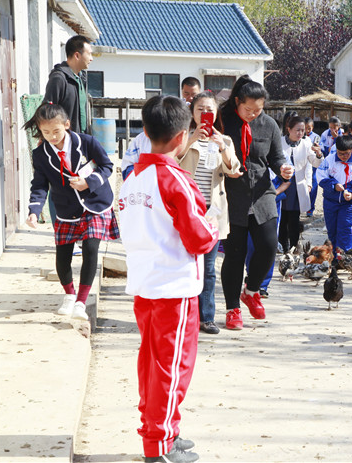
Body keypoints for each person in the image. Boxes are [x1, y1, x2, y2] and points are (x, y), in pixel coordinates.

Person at [118, 95, 218, 462]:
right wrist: (213, 229)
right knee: (172, 367)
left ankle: (162, 431)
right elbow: (199, 238)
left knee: (152, 364)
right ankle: (159, 445)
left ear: (146, 131)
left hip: (146, 284)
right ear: (182, 136)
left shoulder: (133, 179)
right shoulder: (176, 180)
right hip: (175, 287)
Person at [24, 101, 118, 320]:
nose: (52, 136)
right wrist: (34, 210)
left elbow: (106, 166)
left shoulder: (86, 142)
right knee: (62, 257)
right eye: (46, 132)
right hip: (66, 209)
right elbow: (39, 185)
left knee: (91, 248)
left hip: (95, 203)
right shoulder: (40, 155)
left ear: (66, 124)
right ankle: (69, 295)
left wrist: (89, 182)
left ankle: (81, 302)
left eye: (56, 131)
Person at [218, 75, 293, 330]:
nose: (252, 114)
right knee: (235, 256)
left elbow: (276, 157)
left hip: (262, 193)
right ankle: (232, 309)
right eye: (247, 109)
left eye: (257, 110)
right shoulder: (222, 121)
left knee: (270, 245)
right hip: (232, 196)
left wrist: (283, 168)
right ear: (237, 101)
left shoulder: (269, 124)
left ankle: (251, 291)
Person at [176, 91, 240, 335]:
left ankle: (207, 317)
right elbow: (172, 160)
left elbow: (233, 168)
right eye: (200, 109)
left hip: (212, 212)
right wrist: (191, 139)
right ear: (192, 113)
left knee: (209, 267)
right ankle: (186, 316)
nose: (205, 114)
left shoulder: (224, 140)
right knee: (185, 265)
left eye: (210, 110)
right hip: (187, 210)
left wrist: (222, 146)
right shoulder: (182, 138)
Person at [278, 116, 323, 252]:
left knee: (294, 218)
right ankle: (282, 245)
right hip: (281, 184)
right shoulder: (279, 142)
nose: (300, 133)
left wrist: (319, 154)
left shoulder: (306, 143)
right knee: (282, 216)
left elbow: (314, 163)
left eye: (302, 130)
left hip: (297, 187)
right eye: (297, 130)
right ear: (289, 129)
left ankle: (293, 245)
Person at [316, 135, 352, 251]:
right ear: (336, 150)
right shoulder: (329, 161)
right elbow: (320, 177)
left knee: (345, 229)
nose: (343, 156)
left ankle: (344, 257)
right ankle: (332, 257)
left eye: (347, 153)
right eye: (340, 153)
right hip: (330, 201)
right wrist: (333, 186)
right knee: (332, 229)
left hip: (348, 204)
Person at [246, 171, 290, 298]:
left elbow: (287, 181)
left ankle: (263, 284)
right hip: (251, 201)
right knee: (250, 245)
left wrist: (273, 193)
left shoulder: (280, 156)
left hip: (272, 204)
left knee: (268, 245)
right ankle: (251, 278)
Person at [44, 35, 93, 134]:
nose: (91, 58)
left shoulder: (81, 78)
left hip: (80, 139)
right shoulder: (59, 78)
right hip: (64, 141)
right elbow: (47, 112)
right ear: (77, 55)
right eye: (89, 54)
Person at [305, 117, 321, 217]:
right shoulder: (300, 136)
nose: (307, 131)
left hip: (314, 164)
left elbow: (320, 149)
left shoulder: (316, 137)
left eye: (309, 128)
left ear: (312, 128)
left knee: (313, 185)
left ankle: (311, 208)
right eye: (305, 128)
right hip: (304, 163)